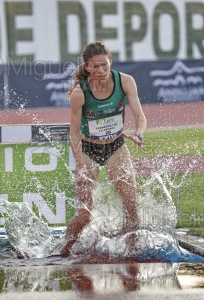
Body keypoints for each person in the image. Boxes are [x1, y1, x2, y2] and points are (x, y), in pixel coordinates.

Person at [61, 41, 147, 257]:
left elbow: (139, 116)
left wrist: (138, 133)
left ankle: (131, 252)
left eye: (104, 65)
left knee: (131, 206)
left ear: (111, 62)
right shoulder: (80, 92)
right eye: (94, 66)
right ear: (87, 67)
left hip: (116, 147)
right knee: (84, 215)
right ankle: (64, 250)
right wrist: (81, 165)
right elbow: (73, 134)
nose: (99, 71)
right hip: (88, 150)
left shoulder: (126, 81)